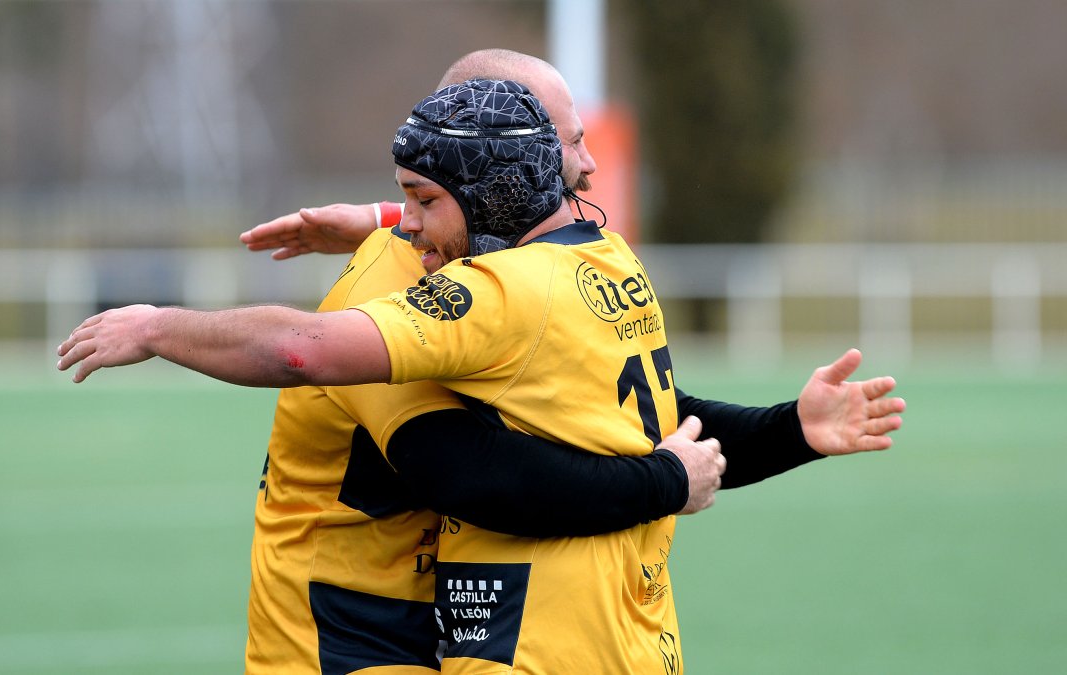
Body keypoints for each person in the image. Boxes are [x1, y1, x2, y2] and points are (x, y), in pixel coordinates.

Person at [59, 79, 902, 673]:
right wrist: (673, 477)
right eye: (564, 139)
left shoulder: (495, 280)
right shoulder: (597, 256)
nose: (583, 164)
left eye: (568, 137)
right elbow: (464, 468)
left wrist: (774, 435)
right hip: (347, 630)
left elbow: (604, 429)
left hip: (535, 622)